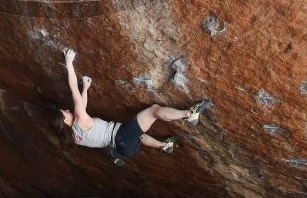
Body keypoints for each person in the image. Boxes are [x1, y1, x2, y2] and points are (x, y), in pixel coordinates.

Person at [50, 48, 211, 166]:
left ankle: (164, 146)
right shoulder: (78, 120)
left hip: (125, 147)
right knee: (154, 110)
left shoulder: (74, 136)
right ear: (64, 120)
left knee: (139, 133)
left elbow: (82, 107)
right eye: (64, 112)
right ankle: (189, 114)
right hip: (122, 136)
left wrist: (85, 88)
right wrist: (69, 63)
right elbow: (73, 91)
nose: (67, 110)